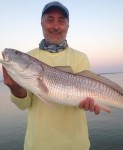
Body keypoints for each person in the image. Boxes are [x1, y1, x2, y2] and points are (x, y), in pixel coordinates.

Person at [2, 1, 101, 150]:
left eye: (61, 21)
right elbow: (23, 105)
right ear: (41, 23)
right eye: (50, 20)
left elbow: (86, 98)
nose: (55, 26)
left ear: (68, 26)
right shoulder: (29, 56)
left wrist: (90, 103)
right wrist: (15, 88)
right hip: (37, 145)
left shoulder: (80, 58)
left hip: (76, 145)